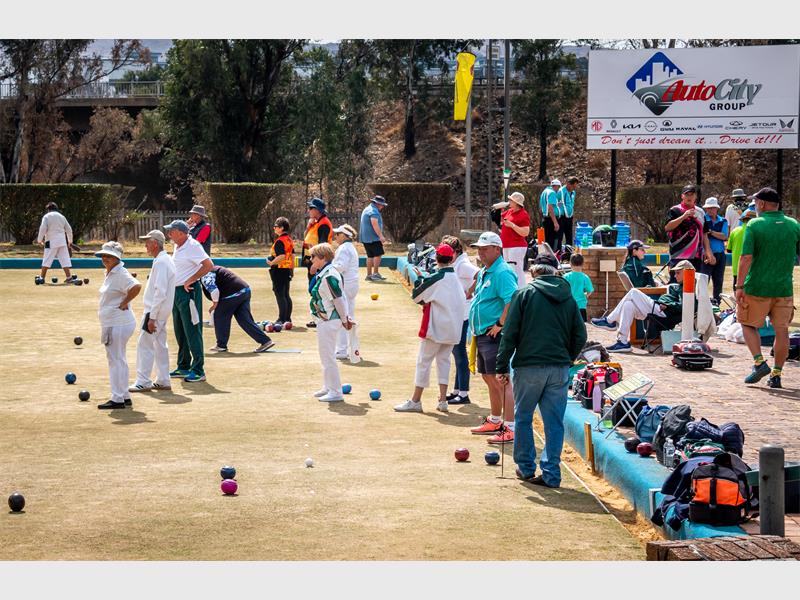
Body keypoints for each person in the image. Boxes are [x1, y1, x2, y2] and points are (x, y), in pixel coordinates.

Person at [496, 252, 587, 488]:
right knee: (554, 422)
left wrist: (501, 365)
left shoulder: (524, 294)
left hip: (529, 367)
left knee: (523, 417)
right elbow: (581, 335)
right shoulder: (568, 297)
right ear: (556, 271)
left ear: (534, 271)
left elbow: (510, 333)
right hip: (558, 368)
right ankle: (551, 474)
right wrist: (566, 358)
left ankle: (526, 469)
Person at [736, 187, 800, 389]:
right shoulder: (793, 225)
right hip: (783, 288)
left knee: (746, 323)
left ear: (762, 204)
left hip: (757, 287)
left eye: (755, 203)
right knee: (782, 331)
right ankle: (777, 374)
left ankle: (758, 362)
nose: (755, 206)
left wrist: (739, 285)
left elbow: (746, 258)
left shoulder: (755, 224)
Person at [394, 244, 465, 414]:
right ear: (452, 258)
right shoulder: (455, 279)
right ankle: (442, 400)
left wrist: (419, 279)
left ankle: (416, 400)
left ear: (436, 258)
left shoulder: (438, 278)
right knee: (444, 361)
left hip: (436, 328)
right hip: (453, 329)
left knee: (423, 361)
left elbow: (417, 296)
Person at [467, 231, 519, 445]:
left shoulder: (502, 272)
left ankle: (510, 427)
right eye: (478, 248)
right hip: (481, 334)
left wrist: (499, 324)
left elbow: (512, 299)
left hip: (496, 334)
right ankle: (496, 420)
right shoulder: (485, 272)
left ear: (498, 249)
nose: (480, 252)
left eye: (485, 248)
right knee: (488, 377)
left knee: (502, 380)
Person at [591, 261, 695, 352]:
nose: (675, 275)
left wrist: (668, 305)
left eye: (678, 273)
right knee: (628, 305)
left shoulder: (688, 288)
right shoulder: (680, 286)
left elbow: (685, 306)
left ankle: (610, 321)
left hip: (663, 312)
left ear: (686, 273)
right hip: (658, 309)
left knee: (633, 292)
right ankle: (622, 342)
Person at [164, 219, 213, 383]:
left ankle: (198, 370)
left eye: (171, 231)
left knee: (192, 330)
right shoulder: (178, 246)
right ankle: (183, 366)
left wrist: (191, 279)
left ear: (180, 232)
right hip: (176, 292)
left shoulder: (193, 246)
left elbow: (208, 265)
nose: (169, 234)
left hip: (189, 292)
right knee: (180, 330)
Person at [95, 242, 142, 409]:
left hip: (118, 323)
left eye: (109, 256)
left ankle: (117, 398)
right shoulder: (112, 272)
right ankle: (124, 395)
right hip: (114, 322)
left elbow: (136, 286)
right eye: (103, 255)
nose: (105, 258)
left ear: (117, 258)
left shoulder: (120, 273)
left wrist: (125, 302)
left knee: (115, 360)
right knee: (119, 359)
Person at [129, 230, 176, 393]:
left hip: (154, 312)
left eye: (147, 242)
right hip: (161, 311)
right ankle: (163, 379)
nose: (145, 245)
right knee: (160, 344)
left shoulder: (162, 262)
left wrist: (152, 317)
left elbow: (160, 292)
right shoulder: (163, 260)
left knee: (145, 344)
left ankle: (143, 381)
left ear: (155, 243)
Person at [308, 243, 353, 402]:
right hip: (325, 319)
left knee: (328, 356)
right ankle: (328, 387)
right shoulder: (326, 272)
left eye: (313, 257)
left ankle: (335, 391)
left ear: (322, 257)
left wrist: (344, 318)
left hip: (329, 320)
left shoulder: (329, 276)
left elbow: (339, 299)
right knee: (325, 355)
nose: (310, 259)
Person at [200, 266, 274, 353]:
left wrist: (214, 305)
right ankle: (265, 341)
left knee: (220, 316)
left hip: (231, 295)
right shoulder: (211, 268)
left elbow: (214, 291)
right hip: (244, 291)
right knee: (245, 320)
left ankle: (221, 345)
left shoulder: (205, 274)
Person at [443, 235, 480, 405]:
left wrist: (470, 291)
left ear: (456, 251)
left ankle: (464, 393)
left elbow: (480, 273)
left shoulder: (463, 264)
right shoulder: (457, 263)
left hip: (463, 313)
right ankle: (457, 390)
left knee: (459, 352)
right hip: (457, 312)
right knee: (456, 352)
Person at [665, 184, 714, 278]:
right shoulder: (675, 210)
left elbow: (704, 234)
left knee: (694, 285)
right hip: (678, 255)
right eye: (687, 194)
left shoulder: (700, 212)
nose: (689, 197)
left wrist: (708, 251)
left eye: (692, 194)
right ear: (682, 196)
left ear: (695, 196)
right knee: (677, 283)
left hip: (696, 256)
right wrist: (683, 217)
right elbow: (667, 227)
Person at [332, 224, 361, 363]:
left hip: (345, 285)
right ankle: (351, 349)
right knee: (349, 316)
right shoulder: (350, 247)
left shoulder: (343, 249)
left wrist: (328, 268)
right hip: (352, 285)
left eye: (338, 234)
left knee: (343, 317)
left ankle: (342, 350)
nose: (336, 236)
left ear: (344, 236)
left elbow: (340, 267)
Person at [303, 198, 333, 328]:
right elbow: (306, 238)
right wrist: (309, 225)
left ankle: (320, 317)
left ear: (317, 210)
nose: (309, 210)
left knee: (317, 290)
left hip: (319, 262)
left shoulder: (324, 224)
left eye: (311, 208)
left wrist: (315, 264)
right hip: (313, 261)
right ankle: (317, 317)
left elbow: (322, 247)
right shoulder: (316, 223)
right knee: (314, 290)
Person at [35, 202, 76, 284]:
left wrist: (39, 240)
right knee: (64, 259)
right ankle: (69, 277)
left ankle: (42, 277)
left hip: (50, 241)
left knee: (47, 258)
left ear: (48, 209)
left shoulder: (46, 217)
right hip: (62, 241)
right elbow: (69, 229)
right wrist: (70, 241)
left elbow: (43, 228)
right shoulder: (62, 217)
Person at [498, 191, 531, 289]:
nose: (509, 201)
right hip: (507, 245)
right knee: (508, 269)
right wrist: (497, 212)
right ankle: (511, 289)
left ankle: (520, 290)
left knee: (516, 270)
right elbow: (501, 222)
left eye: (511, 200)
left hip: (517, 246)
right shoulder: (509, 211)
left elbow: (525, 232)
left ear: (516, 202)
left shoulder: (523, 214)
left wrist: (512, 225)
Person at [266, 216, 294, 326]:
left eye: (276, 226)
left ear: (281, 228)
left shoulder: (279, 241)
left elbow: (281, 256)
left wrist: (271, 262)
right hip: (286, 269)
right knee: (286, 294)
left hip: (278, 270)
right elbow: (292, 255)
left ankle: (281, 319)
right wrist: (292, 270)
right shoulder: (289, 239)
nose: (274, 228)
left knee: (280, 294)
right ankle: (287, 319)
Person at [701, 197, 729, 304]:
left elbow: (725, 236)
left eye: (712, 208)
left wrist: (711, 232)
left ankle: (717, 302)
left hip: (720, 254)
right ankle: (702, 302)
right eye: (708, 208)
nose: (710, 210)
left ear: (716, 208)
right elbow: (703, 236)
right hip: (706, 255)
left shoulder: (723, 220)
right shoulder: (703, 219)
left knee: (718, 281)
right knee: (704, 280)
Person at [727, 204, 756, 291]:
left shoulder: (735, 231)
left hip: (737, 266)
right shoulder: (756, 231)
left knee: (737, 287)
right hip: (753, 267)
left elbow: (729, 249)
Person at [359, 195, 388, 281]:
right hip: (373, 238)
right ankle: (375, 274)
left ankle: (369, 275)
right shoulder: (374, 211)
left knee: (370, 256)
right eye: (382, 204)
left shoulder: (367, 208)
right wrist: (381, 236)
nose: (382, 207)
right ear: (377, 204)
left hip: (366, 238)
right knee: (378, 254)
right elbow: (374, 223)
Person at [562, 253, 593, 322]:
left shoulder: (565, 276)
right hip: (581, 305)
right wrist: (586, 295)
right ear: (582, 264)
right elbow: (590, 290)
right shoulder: (585, 277)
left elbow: (562, 290)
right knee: (581, 326)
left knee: (568, 325)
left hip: (568, 305)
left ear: (570, 263)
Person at [538, 179, 563, 251]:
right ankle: (553, 258)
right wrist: (555, 222)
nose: (558, 190)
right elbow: (550, 208)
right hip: (551, 220)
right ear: (556, 186)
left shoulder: (545, 191)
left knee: (547, 241)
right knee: (553, 242)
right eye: (558, 187)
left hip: (546, 218)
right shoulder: (552, 193)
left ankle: (548, 257)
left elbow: (544, 206)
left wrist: (556, 206)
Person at [557, 176, 579, 249]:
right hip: (561, 217)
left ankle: (568, 254)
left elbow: (571, 204)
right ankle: (559, 253)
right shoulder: (561, 191)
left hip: (569, 217)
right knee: (559, 236)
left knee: (569, 236)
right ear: (568, 184)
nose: (574, 188)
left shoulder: (573, 193)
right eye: (573, 186)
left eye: (575, 186)